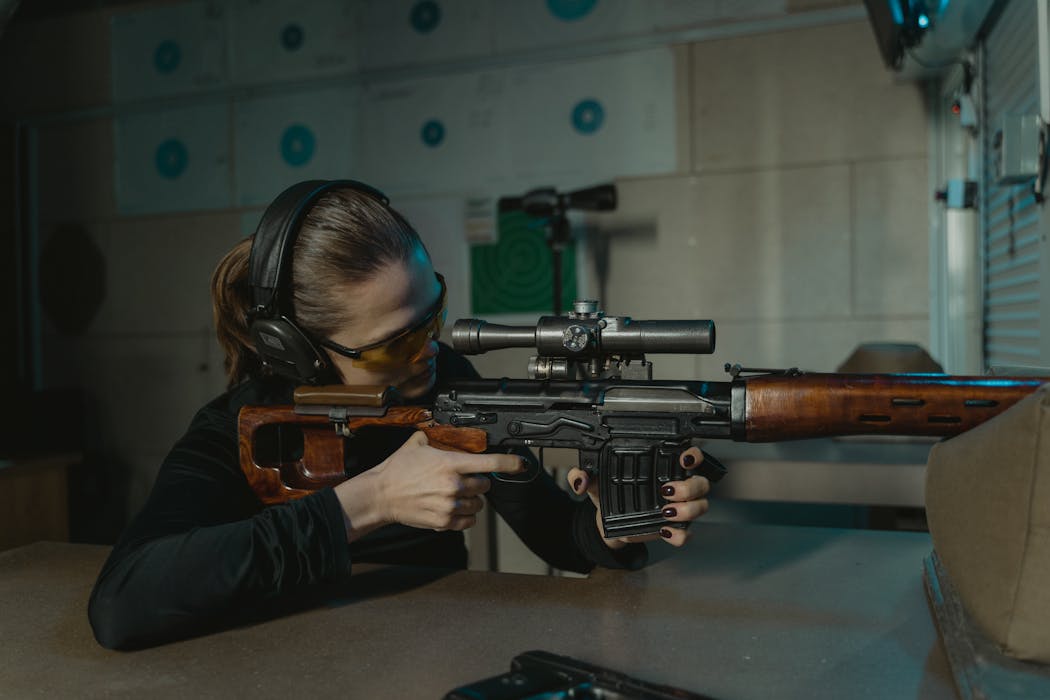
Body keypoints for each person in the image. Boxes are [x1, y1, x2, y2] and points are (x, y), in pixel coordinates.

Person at [87, 180, 711, 650]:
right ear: (300, 350)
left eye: (432, 316)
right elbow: (124, 603)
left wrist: (611, 526)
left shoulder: (444, 386)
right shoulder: (240, 430)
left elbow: (558, 536)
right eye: (394, 343)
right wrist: (371, 501)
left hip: (430, 656)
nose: (429, 352)